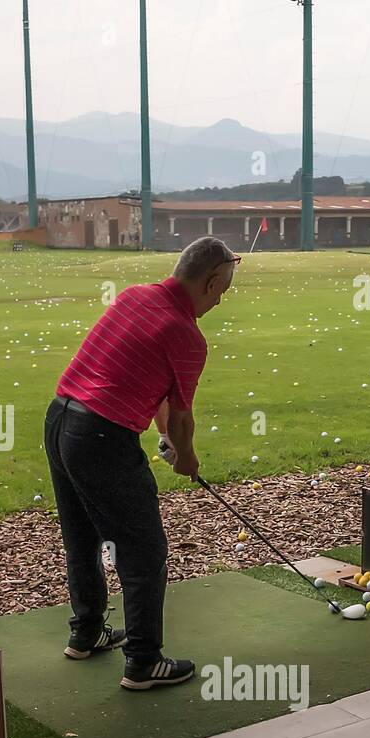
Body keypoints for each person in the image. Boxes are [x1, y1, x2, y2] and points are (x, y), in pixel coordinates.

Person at [44, 236, 239, 690]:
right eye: (223, 291)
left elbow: (153, 389)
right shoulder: (187, 334)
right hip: (100, 438)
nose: (220, 301)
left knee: (82, 537)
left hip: (59, 420)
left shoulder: (134, 296)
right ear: (210, 283)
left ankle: (86, 632)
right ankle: (144, 661)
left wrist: (166, 437)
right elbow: (184, 419)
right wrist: (186, 458)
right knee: (144, 551)